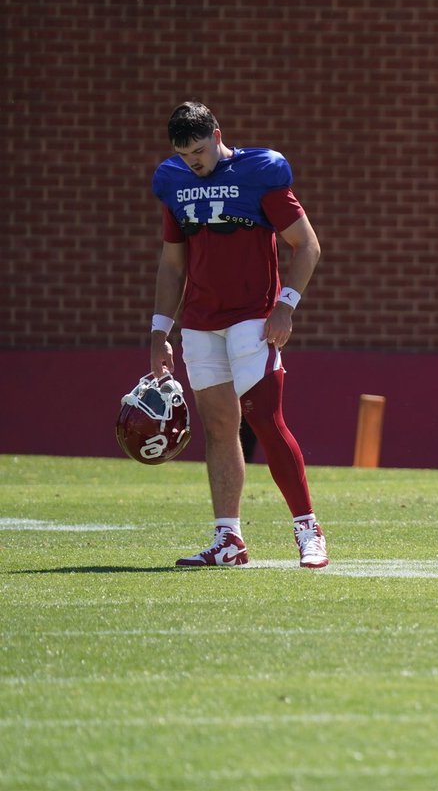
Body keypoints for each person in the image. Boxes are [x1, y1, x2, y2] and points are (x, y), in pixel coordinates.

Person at [149, 101, 327, 569]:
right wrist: (159, 331)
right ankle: (228, 540)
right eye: (185, 154)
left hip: (253, 316)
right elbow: (172, 264)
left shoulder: (258, 171)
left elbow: (306, 244)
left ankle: (308, 529)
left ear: (217, 135)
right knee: (221, 428)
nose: (195, 161)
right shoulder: (173, 181)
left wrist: (285, 306)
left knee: (265, 419)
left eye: (200, 150)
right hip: (201, 321)